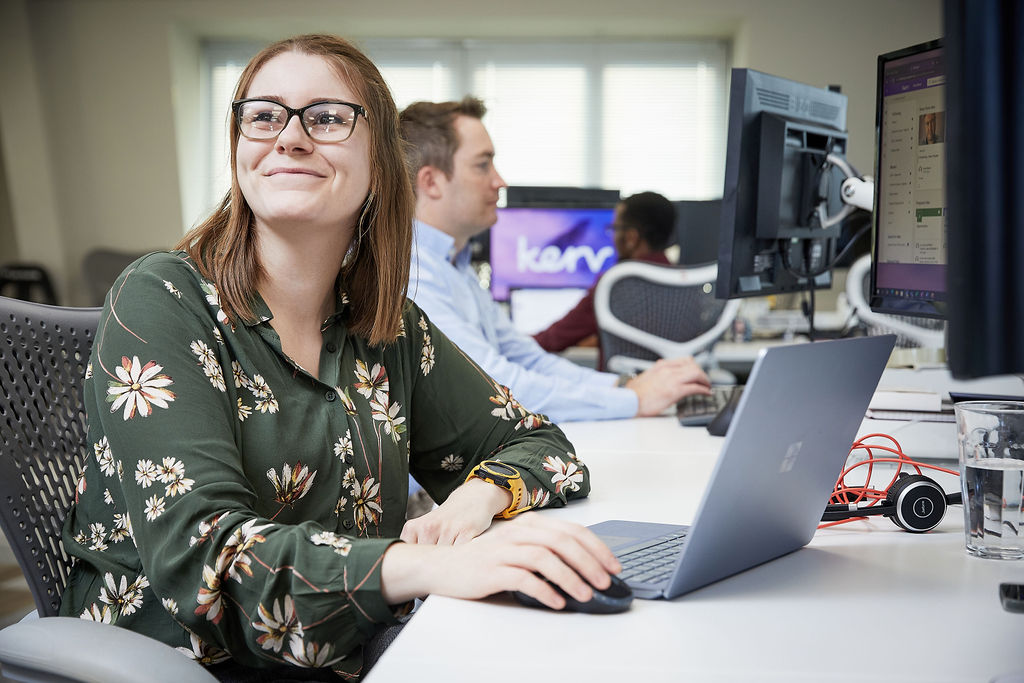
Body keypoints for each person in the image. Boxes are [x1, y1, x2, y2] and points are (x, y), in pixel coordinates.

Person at [59, 35, 621, 681]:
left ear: (381, 164)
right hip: (184, 665)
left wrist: (479, 496)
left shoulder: (386, 327)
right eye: (264, 115)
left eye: (326, 117)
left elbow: (542, 445)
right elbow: (207, 559)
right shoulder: (164, 297)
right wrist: (428, 566)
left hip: (358, 655)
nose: (289, 138)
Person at [400, 97, 711, 423]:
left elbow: (530, 360)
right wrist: (632, 399)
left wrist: (624, 385)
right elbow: (495, 388)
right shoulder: (413, 274)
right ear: (431, 182)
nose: (500, 181)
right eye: (482, 165)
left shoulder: (455, 269)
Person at [533, 191, 676, 360]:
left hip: (622, 384)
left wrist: (510, 344)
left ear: (631, 237)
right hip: (673, 384)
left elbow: (554, 339)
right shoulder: (685, 284)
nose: (613, 237)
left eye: (615, 228)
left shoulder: (614, 285)